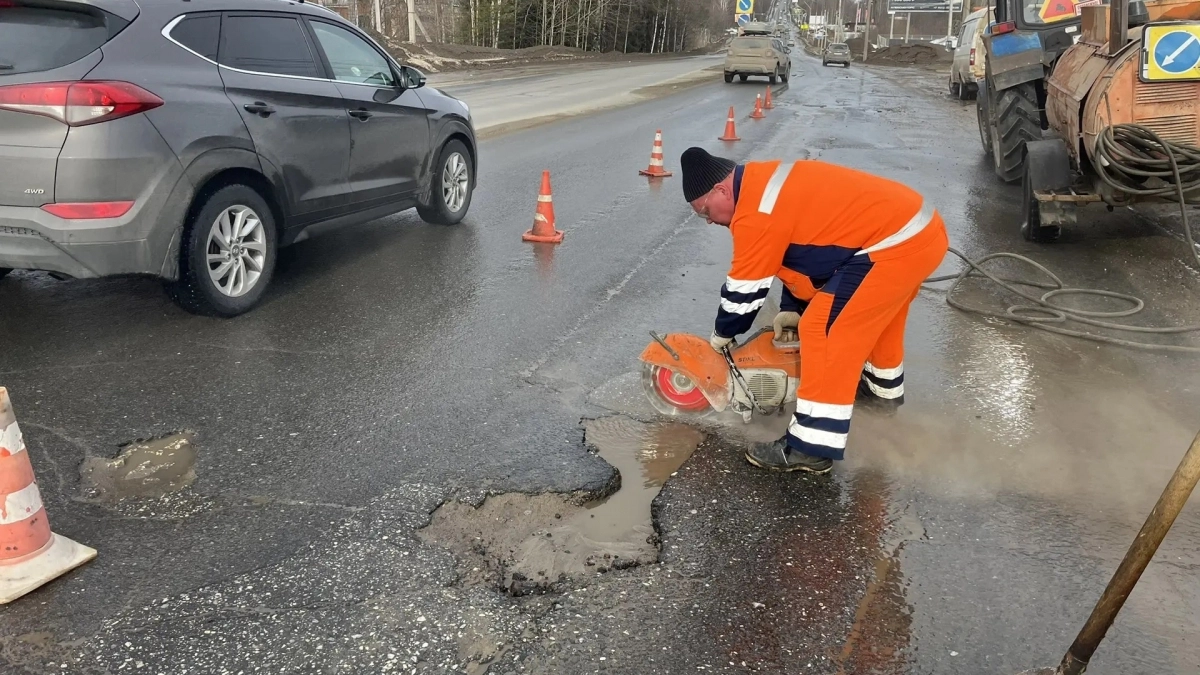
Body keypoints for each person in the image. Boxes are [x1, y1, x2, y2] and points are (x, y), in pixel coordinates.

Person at [680, 147, 948, 474]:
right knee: (878, 322)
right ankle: (881, 400)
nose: (707, 220)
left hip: (896, 241)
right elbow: (796, 253)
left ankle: (810, 448)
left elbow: (744, 293)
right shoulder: (759, 185)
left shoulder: (755, 213)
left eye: (703, 210)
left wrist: (721, 336)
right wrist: (792, 308)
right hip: (918, 229)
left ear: (721, 191)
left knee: (824, 329)